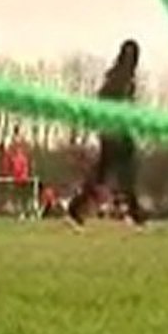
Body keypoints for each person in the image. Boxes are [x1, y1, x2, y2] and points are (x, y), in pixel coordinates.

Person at [66, 39, 146, 230]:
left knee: (103, 176)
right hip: (116, 134)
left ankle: (76, 209)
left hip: (115, 133)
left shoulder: (120, 78)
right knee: (123, 174)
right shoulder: (120, 79)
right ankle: (135, 215)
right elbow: (111, 103)